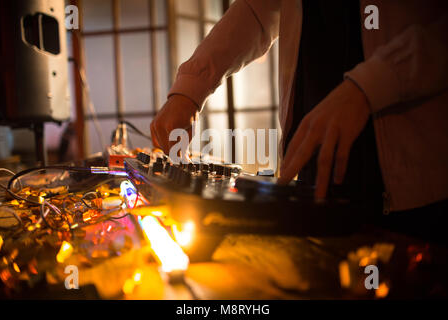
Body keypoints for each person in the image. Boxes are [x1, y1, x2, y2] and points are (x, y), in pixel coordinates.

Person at [150, 0, 448, 239]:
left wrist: (369, 87)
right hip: (314, 176)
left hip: (418, 186)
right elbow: (259, 9)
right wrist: (189, 89)